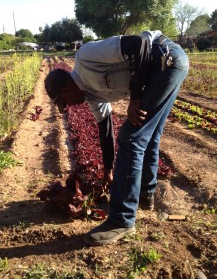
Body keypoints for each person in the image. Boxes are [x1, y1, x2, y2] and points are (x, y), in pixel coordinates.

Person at [44, 31, 189, 246]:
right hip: (166, 68)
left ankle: (121, 219)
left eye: (64, 102)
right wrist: (109, 169)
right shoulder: (92, 96)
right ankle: (145, 196)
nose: (69, 107)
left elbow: (139, 44)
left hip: (165, 61)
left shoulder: (85, 58)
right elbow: (105, 129)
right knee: (147, 135)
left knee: (131, 138)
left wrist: (136, 98)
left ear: (65, 89)